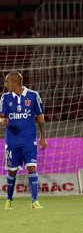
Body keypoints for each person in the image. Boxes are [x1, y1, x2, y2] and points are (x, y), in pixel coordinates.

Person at [0, 71, 47, 209]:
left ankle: (35, 201)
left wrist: (43, 137)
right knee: (12, 171)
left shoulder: (33, 96)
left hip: (29, 139)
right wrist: (2, 120)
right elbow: (1, 116)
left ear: (15, 83)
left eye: (7, 81)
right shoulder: (5, 98)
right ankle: (9, 200)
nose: (5, 84)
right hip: (12, 141)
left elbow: (40, 117)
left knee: (32, 168)